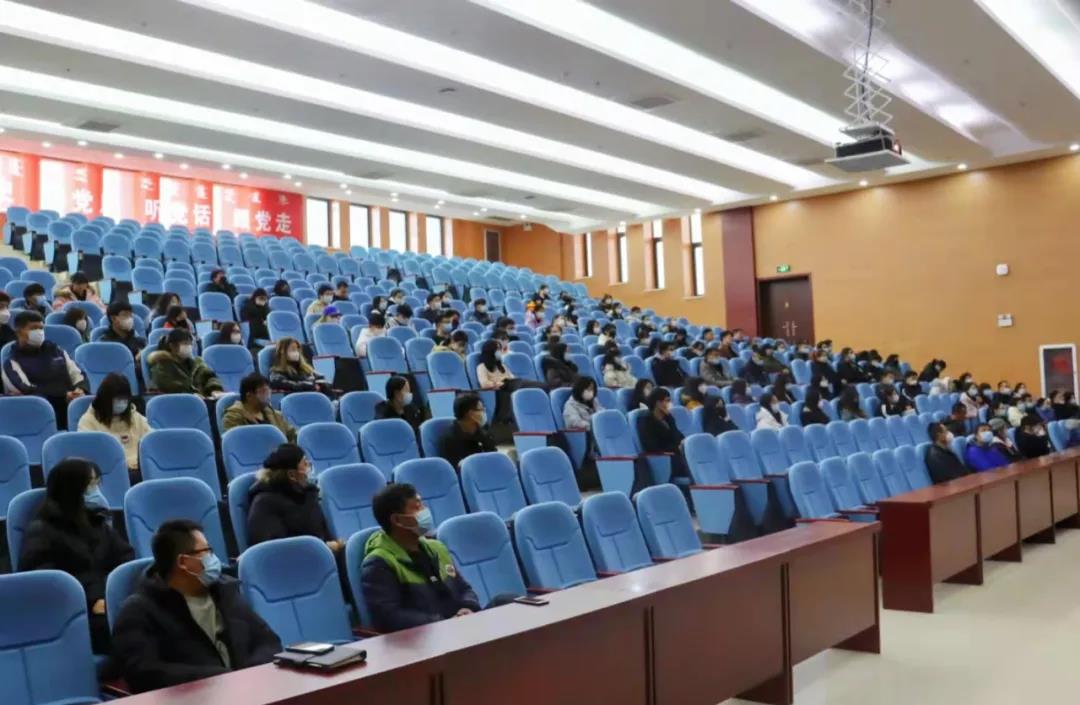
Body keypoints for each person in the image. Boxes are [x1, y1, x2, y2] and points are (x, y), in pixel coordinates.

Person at [111, 519, 281, 692]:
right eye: (207, 551)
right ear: (183, 562)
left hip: (249, 690)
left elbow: (268, 641)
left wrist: (249, 675)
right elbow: (143, 673)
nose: (213, 558)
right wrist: (220, 678)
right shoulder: (139, 611)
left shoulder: (226, 592)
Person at [19, 458, 134, 654]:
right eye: (90, 485)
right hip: (74, 615)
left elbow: (125, 559)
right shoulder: (42, 530)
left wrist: (110, 595)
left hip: (109, 603)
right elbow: (46, 583)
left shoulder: (97, 523)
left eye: (97, 483)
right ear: (70, 489)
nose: (96, 491)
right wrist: (92, 601)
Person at [361, 483, 489, 633]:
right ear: (397, 520)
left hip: (461, 626)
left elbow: (464, 588)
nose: (425, 512)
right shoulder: (379, 563)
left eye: (423, 505)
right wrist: (444, 623)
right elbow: (389, 617)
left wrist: (468, 608)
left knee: (504, 600)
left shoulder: (436, 548)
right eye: (417, 508)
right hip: (428, 637)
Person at [247, 444, 342, 550]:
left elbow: (323, 534)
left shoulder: (309, 494)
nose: (309, 467)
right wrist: (323, 547)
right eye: (305, 463)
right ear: (292, 475)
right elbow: (269, 550)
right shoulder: (263, 504)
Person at [2, 311, 88, 428]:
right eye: (33, 328)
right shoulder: (11, 361)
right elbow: (26, 389)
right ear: (19, 332)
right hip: (40, 415)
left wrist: (80, 389)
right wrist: (64, 395)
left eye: (41, 328)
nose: (39, 332)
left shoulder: (55, 350)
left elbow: (77, 373)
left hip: (72, 407)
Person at [78, 372, 151, 475]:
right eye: (117, 399)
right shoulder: (88, 421)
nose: (121, 403)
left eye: (124, 399)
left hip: (139, 469)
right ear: (105, 399)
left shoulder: (135, 417)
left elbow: (151, 440)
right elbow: (89, 454)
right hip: (109, 472)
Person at [476, 339, 541, 422]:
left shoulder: (501, 365)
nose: (500, 351)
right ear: (490, 351)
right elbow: (484, 383)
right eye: (497, 349)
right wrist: (498, 383)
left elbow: (512, 377)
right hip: (500, 388)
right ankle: (547, 386)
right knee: (522, 383)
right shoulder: (482, 367)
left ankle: (545, 386)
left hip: (510, 384)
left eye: (500, 349)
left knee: (522, 383)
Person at [222, 373, 297, 443]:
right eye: (263, 392)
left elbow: (292, 436)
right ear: (249, 396)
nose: (268, 395)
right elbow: (235, 443)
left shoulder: (276, 415)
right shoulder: (232, 417)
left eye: (269, 391)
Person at [148, 328, 224, 397]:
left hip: (203, 399)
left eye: (190, 344)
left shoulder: (196, 363)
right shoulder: (162, 365)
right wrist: (193, 394)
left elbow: (209, 376)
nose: (189, 347)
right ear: (172, 346)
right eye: (185, 343)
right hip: (180, 402)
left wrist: (215, 389)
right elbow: (169, 386)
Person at [636, 388, 688, 487]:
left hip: (675, 454)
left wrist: (670, 420)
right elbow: (651, 445)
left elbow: (679, 437)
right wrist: (675, 448)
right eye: (667, 401)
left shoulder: (668, 419)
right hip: (663, 458)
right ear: (658, 403)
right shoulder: (646, 420)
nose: (670, 404)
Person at [439, 393, 497, 469]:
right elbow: (451, 469)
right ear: (470, 414)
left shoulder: (484, 431)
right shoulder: (449, 438)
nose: (484, 412)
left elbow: (494, 458)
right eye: (481, 409)